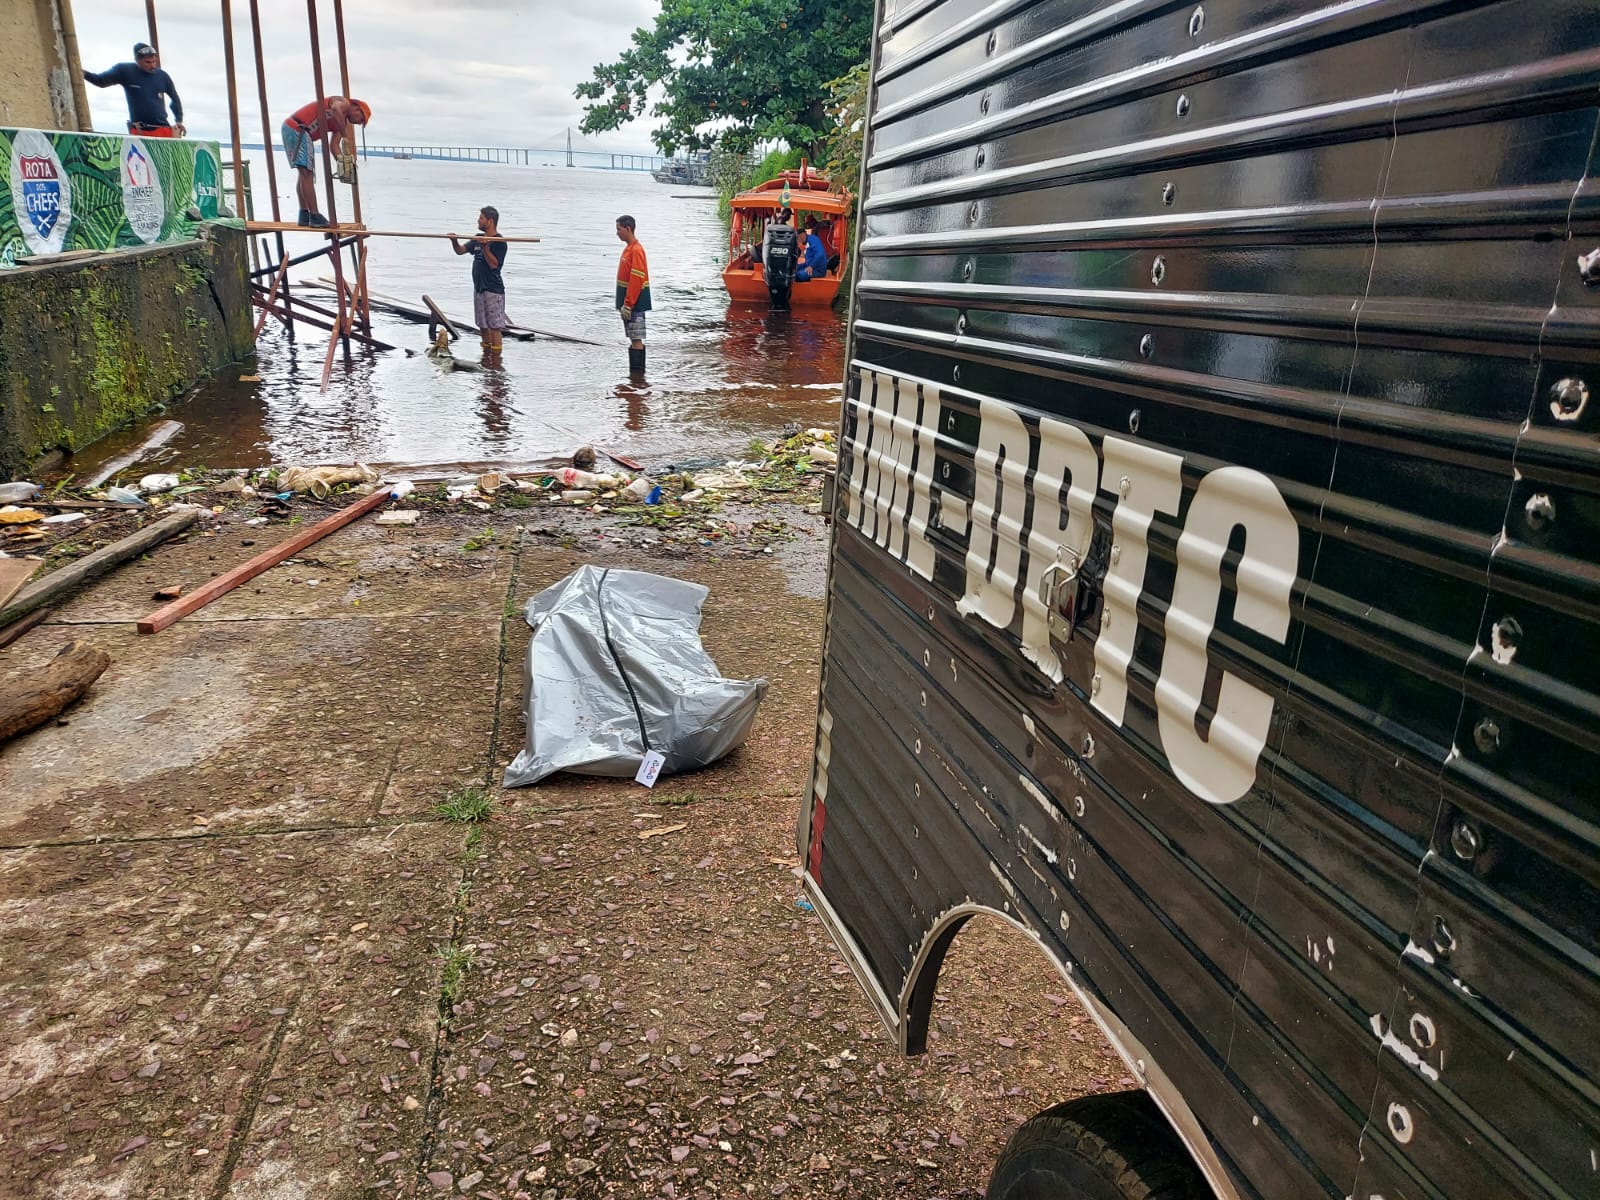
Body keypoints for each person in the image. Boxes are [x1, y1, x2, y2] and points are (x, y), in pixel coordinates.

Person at [281, 96, 371, 228]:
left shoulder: (342, 123)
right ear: (357, 109)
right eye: (361, 120)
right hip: (297, 128)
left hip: (298, 130)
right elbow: (335, 108)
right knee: (306, 173)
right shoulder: (344, 103)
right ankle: (314, 216)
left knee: (304, 173)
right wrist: (345, 134)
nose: (358, 123)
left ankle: (304, 214)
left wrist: (344, 164)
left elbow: (334, 146)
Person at [84, 43, 184, 138]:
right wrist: (83, 73)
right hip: (139, 131)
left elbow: (175, 98)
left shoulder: (162, 76)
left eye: (154, 61)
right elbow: (101, 81)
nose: (153, 66)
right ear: (137, 60)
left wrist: (178, 120)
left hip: (163, 130)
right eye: (148, 62)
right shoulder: (124, 71)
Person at [450, 207, 509, 355]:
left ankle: (496, 360)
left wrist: (485, 248)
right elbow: (460, 250)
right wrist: (454, 241)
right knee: (482, 324)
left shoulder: (499, 242)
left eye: (481, 218)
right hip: (479, 289)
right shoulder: (478, 238)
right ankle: (486, 357)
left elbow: (494, 265)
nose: (478, 220)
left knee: (494, 326)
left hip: (493, 290)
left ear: (490, 221)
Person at [615, 215, 651, 375]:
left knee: (636, 338)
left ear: (628, 228)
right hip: (628, 303)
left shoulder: (636, 250)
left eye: (619, 229)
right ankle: (635, 380)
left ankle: (637, 377)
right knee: (632, 337)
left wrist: (628, 304)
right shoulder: (628, 249)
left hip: (634, 303)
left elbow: (636, 279)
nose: (617, 233)